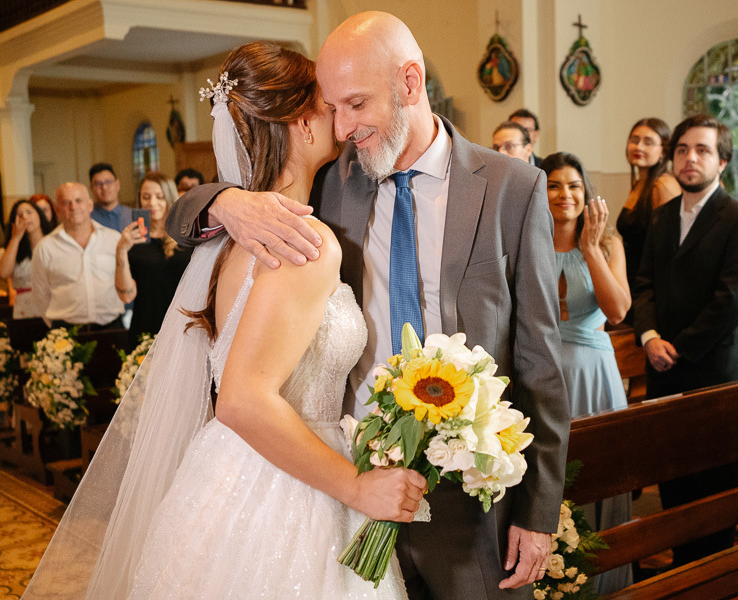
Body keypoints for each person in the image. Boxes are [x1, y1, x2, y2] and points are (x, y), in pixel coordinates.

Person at [169, 12, 569, 599]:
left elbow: (541, 366)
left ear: (410, 82)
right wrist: (226, 201)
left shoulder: (514, 189)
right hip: (346, 486)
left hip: (469, 502)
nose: (342, 126)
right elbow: (203, 203)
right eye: (332, 108)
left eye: (356, 104)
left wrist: (538, 513)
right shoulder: (329, 182)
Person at [22, 41, 424, 600]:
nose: (340, 118)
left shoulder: (235, 239)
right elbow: (241, 398)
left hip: (228, 473)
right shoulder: (301, 240)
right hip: (292, 488)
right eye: (328, 104)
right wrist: (357, 488)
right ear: (300, 122)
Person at [633, 114, 738, 565]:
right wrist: (650, 337)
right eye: (683, 149)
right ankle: (681, 570)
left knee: (715, 493)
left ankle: (715, 575)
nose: (690, 158)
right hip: (662, 370)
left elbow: (733, 300)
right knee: (673, 480)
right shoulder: (662, 216)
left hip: (715, 375)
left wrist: (679, 348)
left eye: (703, 150)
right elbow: (644, 283)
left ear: (722, 161)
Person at [542, 152, 632, 594]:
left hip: (595, 375)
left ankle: (607, 582)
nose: (565, 194)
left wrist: (590, 248)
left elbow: (617, 311)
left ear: (586, 192)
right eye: (554, 185)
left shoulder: (609, 243)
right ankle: (554, 582)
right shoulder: (527, 239)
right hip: (542, 372)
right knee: (550, 477)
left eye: (574, 185)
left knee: (601, 471)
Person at [30, 182, 125, 330]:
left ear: (90, 205)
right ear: (57, 209)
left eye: (79, 201)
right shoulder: (45, 248)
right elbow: (40, 294)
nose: (73, 207)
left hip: (111, 327)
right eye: (66, 203)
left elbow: (124, 281)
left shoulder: (114, 239)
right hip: (65, 330)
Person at [115, 172, 193, 344]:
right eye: (146, 197)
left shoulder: (187, 235)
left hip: (184, 328)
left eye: (159, 196)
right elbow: (126, 296)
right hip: (146, 327)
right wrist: (121, 250)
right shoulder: (133, 240)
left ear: (170, 198)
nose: (152, 203)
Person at [616, 118, 681, 308]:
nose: (639, 147)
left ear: (664, 150)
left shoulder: (663, 185)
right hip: (630, 282)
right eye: (634, 140)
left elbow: (669, 249)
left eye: (648, 142)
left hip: (650, 290)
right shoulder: (640, 184)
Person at [0, 199, 54, 319]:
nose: (25, 217)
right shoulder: (11, 249)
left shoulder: (55, 243)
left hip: (52, 304)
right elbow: (3, 273)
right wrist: (15, 238)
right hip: (25, 308)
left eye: (29, 212)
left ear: (39, 215)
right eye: (20, 215)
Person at [89, 163, 132, 232]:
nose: (104, 187)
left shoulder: (131, 216)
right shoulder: (87, 218)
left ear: (117, 184)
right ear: (91, 188)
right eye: (98, 184)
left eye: (108, 182)